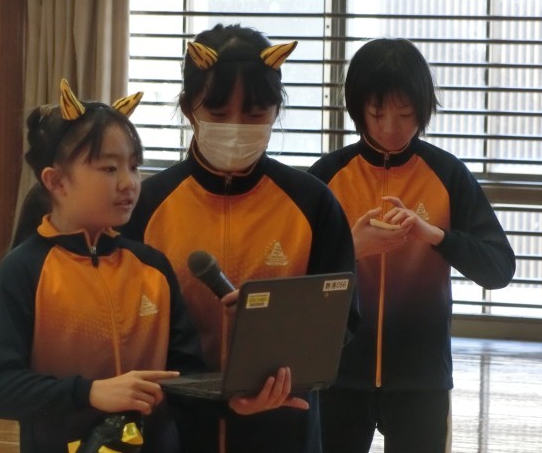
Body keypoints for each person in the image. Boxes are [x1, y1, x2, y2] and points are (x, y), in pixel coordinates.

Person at [120, 23, 359, 453]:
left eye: (254, 115)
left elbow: (342, 320)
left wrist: (280, 331)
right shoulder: (145, 204)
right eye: (218, 114)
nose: (235, 128)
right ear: (189, 108)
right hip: (174, 429)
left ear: (276, 111)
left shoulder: (313, 204)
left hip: (283, 428)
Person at [0, 80, 207, 453]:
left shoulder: (153, 267)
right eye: (109, 168)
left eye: (134, 166)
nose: (129, 183)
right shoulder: (22, 272)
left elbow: (189, 377)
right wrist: (91, 393)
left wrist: (236, 400)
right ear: (56, 181)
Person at [307, 38, 516, 453]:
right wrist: (352, 248)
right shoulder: (327, 176)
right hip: (336, 375)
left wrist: (434, 235)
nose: (390, 127)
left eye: (405, 114)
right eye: (376, 113)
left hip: (422, 378)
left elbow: (499, 269)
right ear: (357, 109)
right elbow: (293, 277)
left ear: (423, 109)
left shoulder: (447, 174)